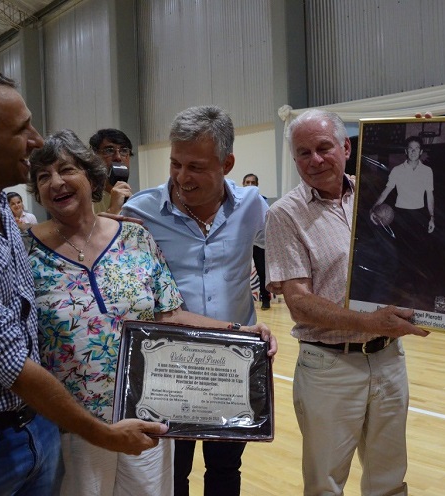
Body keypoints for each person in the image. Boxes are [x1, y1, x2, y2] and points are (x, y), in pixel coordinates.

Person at [0, 68, 166, 496]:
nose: (36, 140)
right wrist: (105, 434)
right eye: (21, 128)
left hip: (34, 429)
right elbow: (13, 365)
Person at [23, 129, 276, 495]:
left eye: (66, 170)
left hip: (145, 414)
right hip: (71, 428)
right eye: (43, 176)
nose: (56, 183)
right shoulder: (21, 253)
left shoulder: (133, 237)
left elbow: (168, 316)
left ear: (92, 177)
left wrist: (238, 330)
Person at [265, 108, 429, 496]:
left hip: (389, 358)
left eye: (324, 148)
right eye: (303, 153)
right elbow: (300, 303)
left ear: (346, 147)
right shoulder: (284, 214)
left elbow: (420, 240)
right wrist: (372, 323)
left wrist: (421, 130)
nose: (315, 160)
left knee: (389, 480)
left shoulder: (376, 194)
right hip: (328, 366)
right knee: (325, 485)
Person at [122, 105, 269, 496]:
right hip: (168, 367)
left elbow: (290, 250)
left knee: (226, 469)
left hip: (231, 364)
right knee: (174, 472)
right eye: (175, 164)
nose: (182, 178)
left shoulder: (253, 206)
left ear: (227, 162)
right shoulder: (139, 212)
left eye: (196, 167)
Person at [371, 135, 435, 301]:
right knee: (400, 255)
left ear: (421, 151)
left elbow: (430, 195)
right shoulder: (397, 170)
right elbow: (386, 191)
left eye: (416, 149)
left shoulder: (427, 171)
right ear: (406, 151)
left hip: (419, 215)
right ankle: (399, 290)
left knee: (419, 254)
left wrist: (432, 217)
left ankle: (417, 289)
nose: (413, 152)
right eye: (410, 149)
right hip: (401, 216)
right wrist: (374, 207)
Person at [242, 173, 271, 310]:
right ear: (243, 184)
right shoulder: (237, 201)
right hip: (244, 242)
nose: (249, 185)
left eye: (252, 183)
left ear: (257, 185)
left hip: (259, 243)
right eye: (247, 182)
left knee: (262, 272)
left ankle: (265, 299)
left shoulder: (262, 201)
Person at [89, 128, 134, 214]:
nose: (118, 157)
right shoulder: (86, 200)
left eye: (124, 151)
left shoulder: (134, 200)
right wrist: (113, 210)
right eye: (109, 150)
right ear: (94, 157)